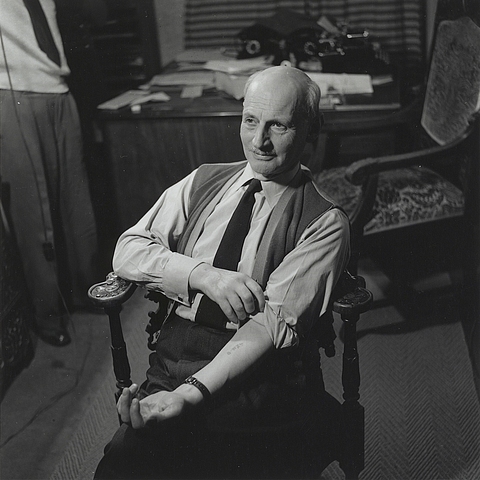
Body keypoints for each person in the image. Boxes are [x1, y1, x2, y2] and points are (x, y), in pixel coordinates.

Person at [94, 66, 350, 479]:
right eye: (250, 121)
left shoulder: (324, 223)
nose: (259, 141)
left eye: (278, 126)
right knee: (120, 466)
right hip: (174, 357)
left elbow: (270, 325)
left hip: (259, 376)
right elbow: (129, 249)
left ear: (310, 129)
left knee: (213, 463)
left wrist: (190, 394)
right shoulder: (203, 181)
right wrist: (203, 276)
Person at [0, 0, 99, 346]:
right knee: (34, 212)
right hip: (12, 92)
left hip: (58, 89)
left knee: (77, 202)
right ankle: (47, 314)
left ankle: (88, 291)